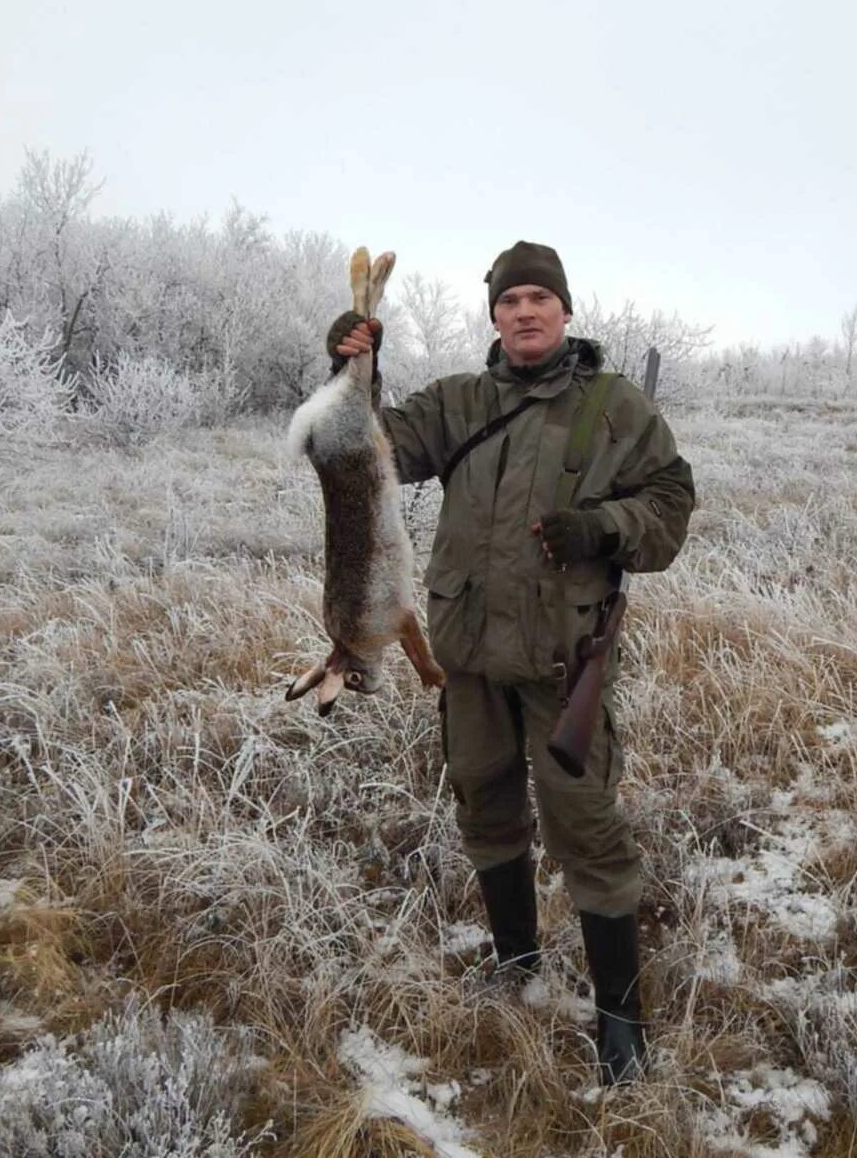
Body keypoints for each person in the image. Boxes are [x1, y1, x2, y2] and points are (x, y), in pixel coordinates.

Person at [326, 240, 695, 1086]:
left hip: (564, 659)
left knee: (586, 828)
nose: (524, 312)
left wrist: (604, 528)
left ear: (564, 311)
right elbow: (371, 454)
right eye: (509, 300)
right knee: (484, 805)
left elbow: (670, 506)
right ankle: (517, 963)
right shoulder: (458, 401)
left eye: (539, 298)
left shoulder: (616, 407)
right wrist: (355, 372)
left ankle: (618, 1018)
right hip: (466, 657)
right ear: (492, 315)